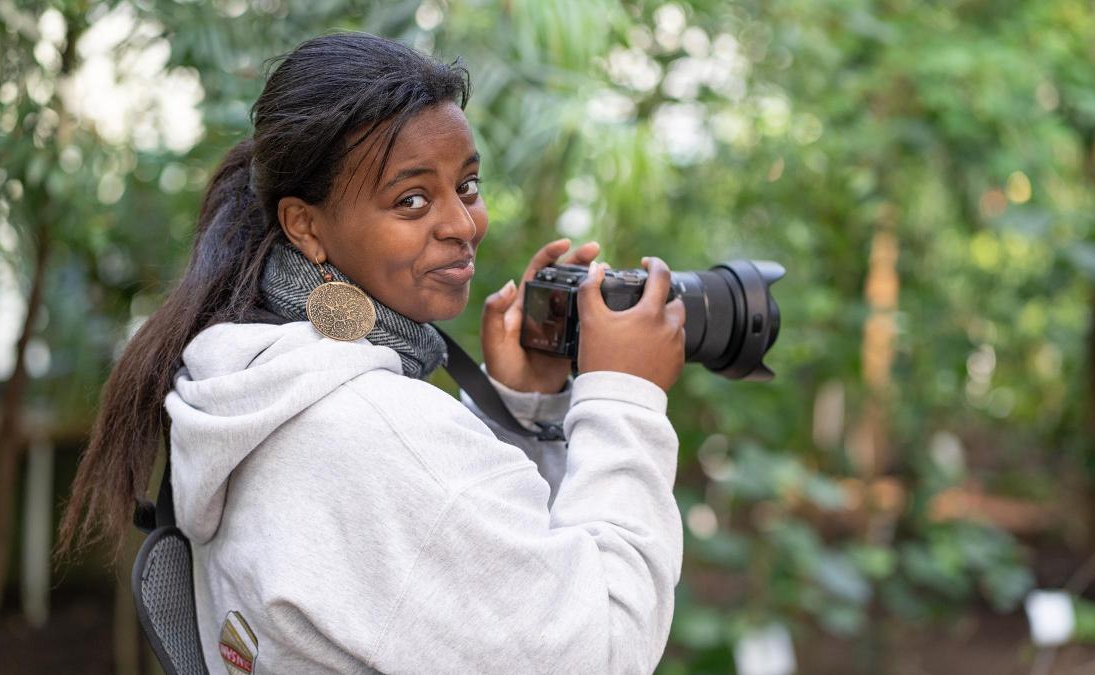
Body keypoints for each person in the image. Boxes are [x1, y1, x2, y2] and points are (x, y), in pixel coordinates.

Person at [59, 32, 687, 674]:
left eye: (467, 186)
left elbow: (447, 592)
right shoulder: (372, 428)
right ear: (307, 226)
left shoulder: (251, 380)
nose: (462, 225)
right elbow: (602, 649)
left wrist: (518, 409)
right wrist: (624, 398)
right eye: (412, 200)